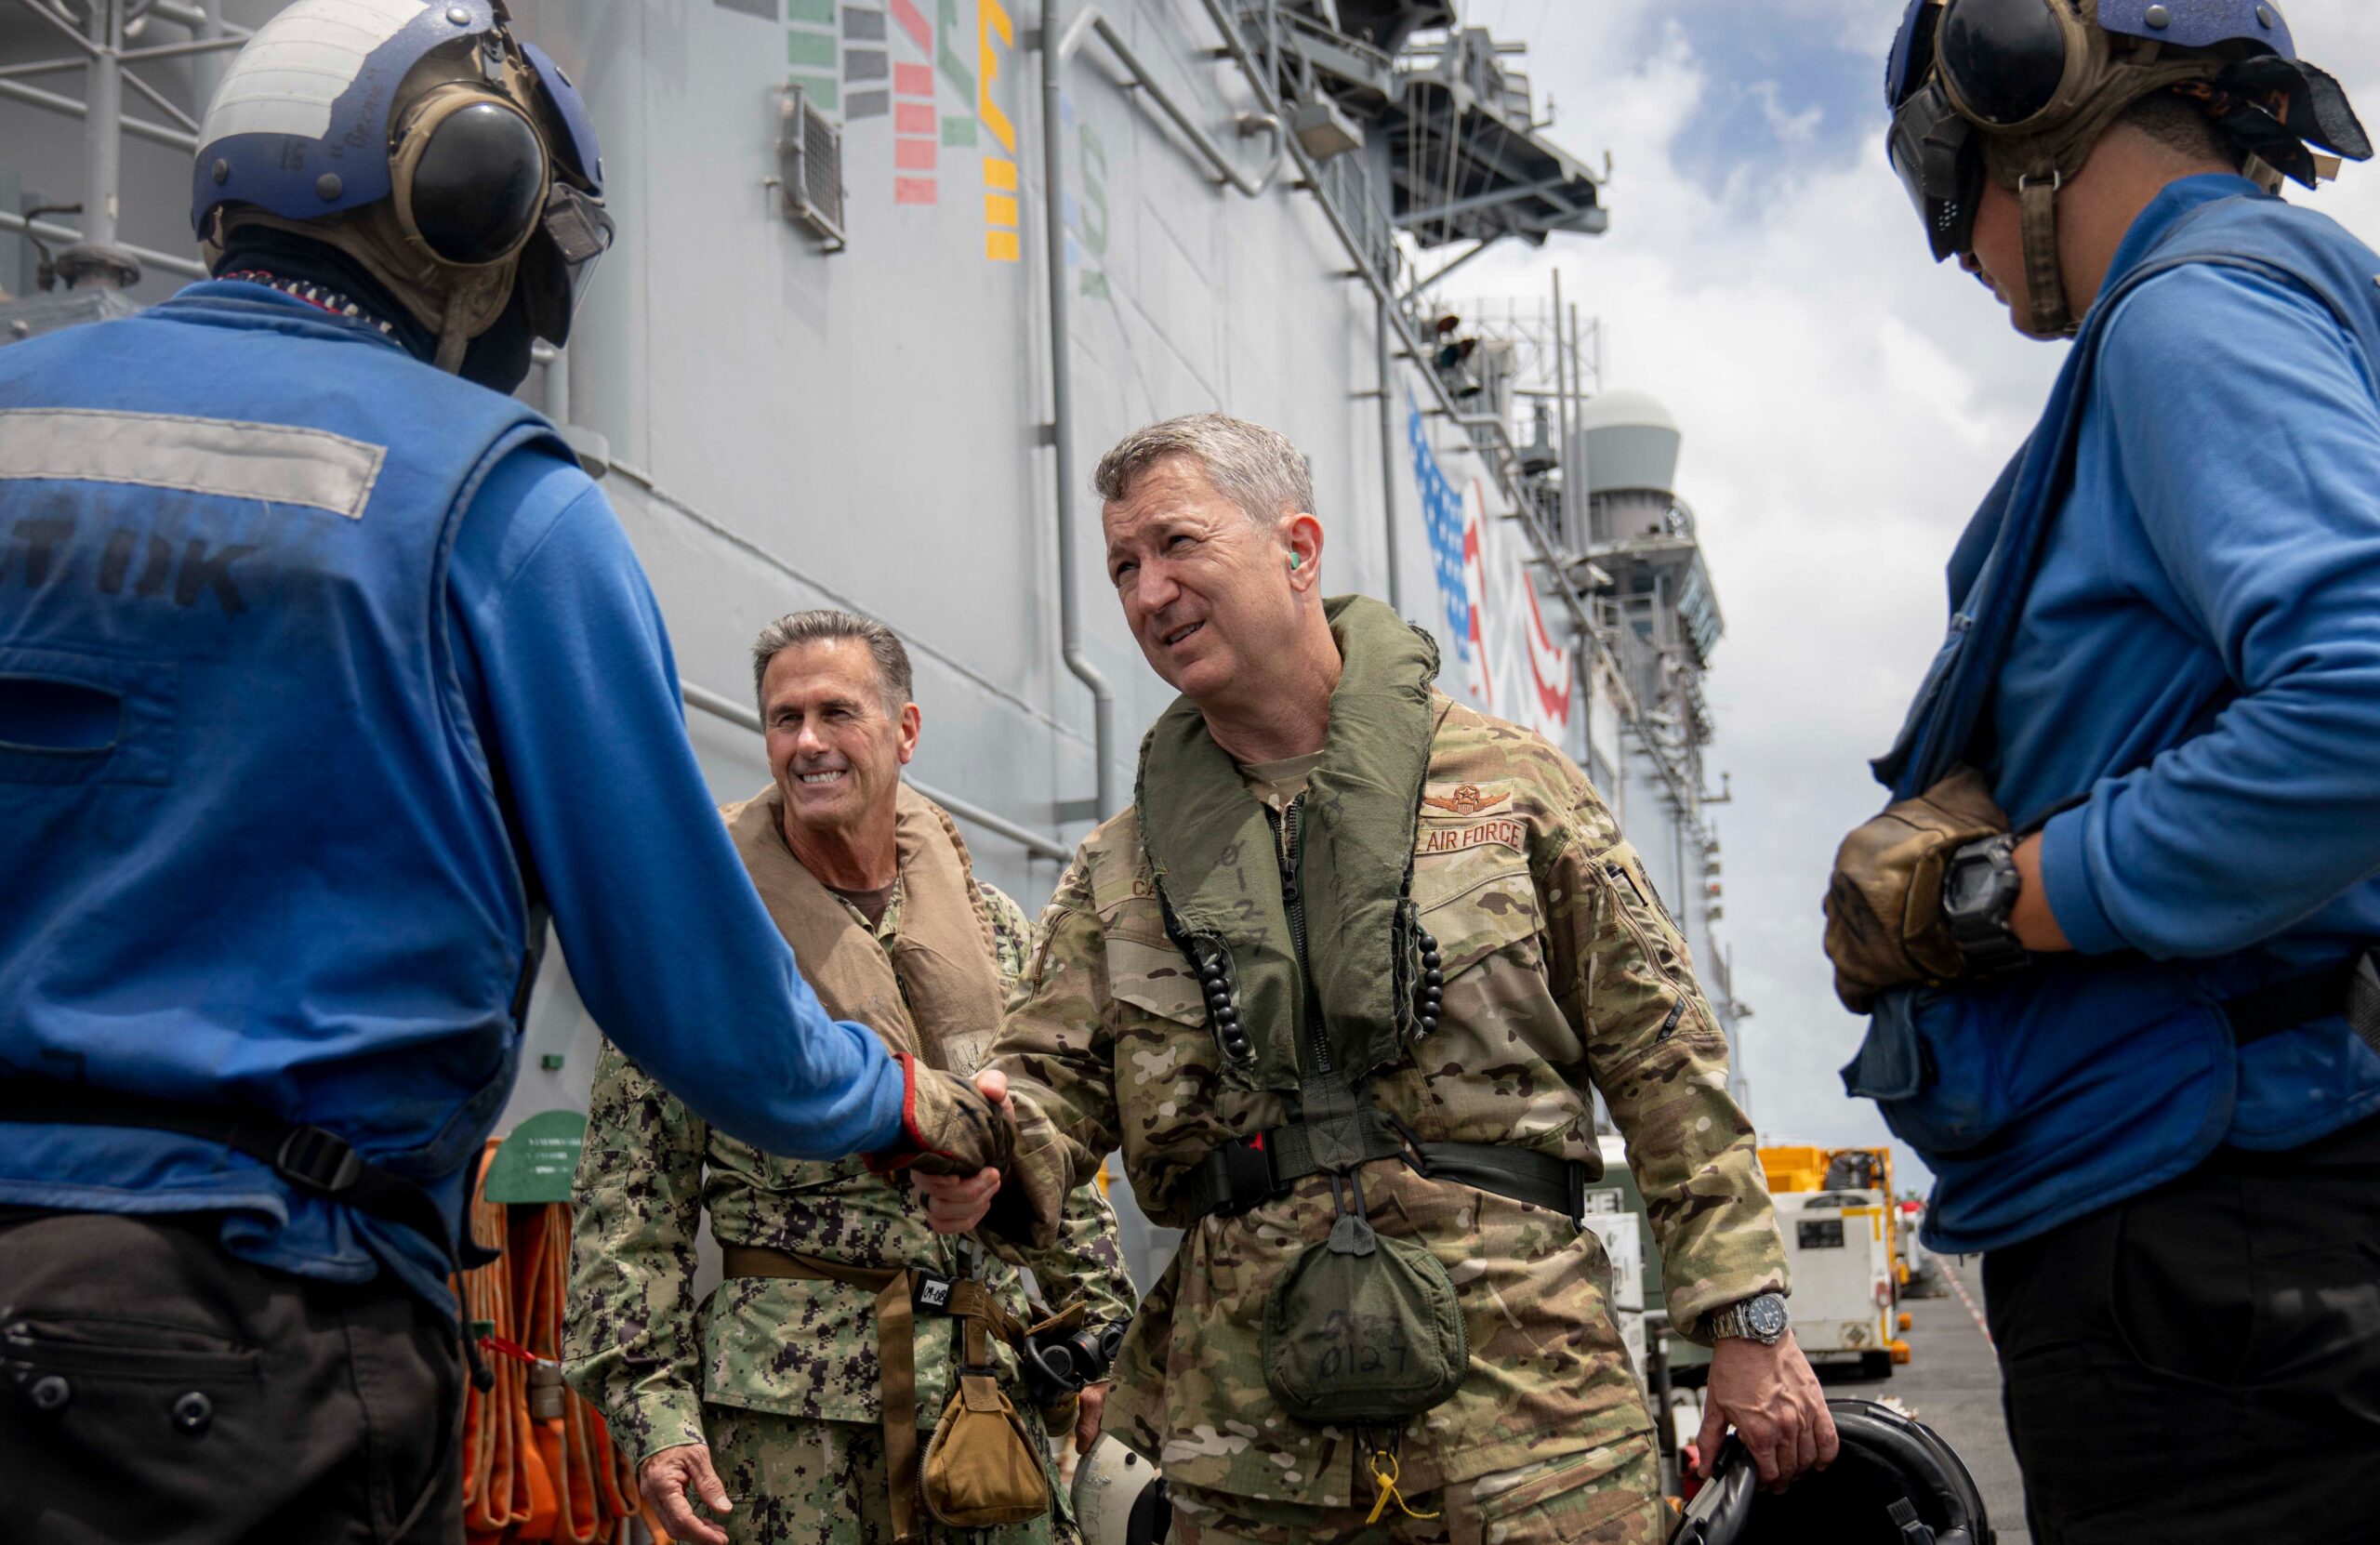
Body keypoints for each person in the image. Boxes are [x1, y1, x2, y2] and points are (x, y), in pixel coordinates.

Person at [0, 7, 1005, 1540]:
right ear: (468, 198)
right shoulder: (493, 500)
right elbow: (693, 994)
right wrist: (901, 1102)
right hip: (246, 1329)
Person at [927, 414, 1832, 1545]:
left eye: (1177, 545)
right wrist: (988, 1157)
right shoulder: (1119, 868)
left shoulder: (1511, 788)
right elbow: (1048, 1096)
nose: (1149, 592)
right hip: (1247, 1451)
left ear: (1297, 550)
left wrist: (1744, 1319)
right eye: (1122, 566)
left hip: (1533, 1434)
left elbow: (1665, 1064)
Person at [1830, 2, 2380, 1538]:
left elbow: (2362, 704)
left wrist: (2004, 897)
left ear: (2019, 96)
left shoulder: (2189, 319)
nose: (1958, 249)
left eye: (1944, 181)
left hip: (2217, 1267)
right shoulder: (2322, 313)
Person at [567, 611, 1136, 1545]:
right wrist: (653, 1417)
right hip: (788, 1426)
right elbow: (629, 1196)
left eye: (837, 712)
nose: (807, 743)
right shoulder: (713, 939)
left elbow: (1056, 1148)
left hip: (989, 1396)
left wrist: (1100, 1336)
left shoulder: (993, 929)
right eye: (784, 719)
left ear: (904, 731)